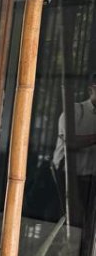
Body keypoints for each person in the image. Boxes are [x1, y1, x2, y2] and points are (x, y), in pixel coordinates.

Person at [53, 72, 96, 227]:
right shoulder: (75, 111)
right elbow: (70, 142)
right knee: (66, 223)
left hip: (90, 182)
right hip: (67, 179)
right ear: (91, 89)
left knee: (86, 226)